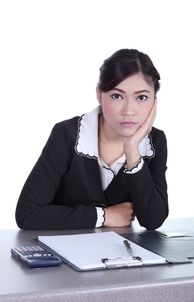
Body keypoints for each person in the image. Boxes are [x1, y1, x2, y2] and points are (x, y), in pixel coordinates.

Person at [15, 48, 168, 230]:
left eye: (142, 97)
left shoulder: (155, 141)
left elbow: (153, 220)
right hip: (60, 251)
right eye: (117, 96)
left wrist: (132, 149)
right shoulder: (67, 134)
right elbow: (27, 213)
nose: (129, 110)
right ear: (99, 94)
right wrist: (103, 216)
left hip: (119, 254)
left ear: (154, 101)